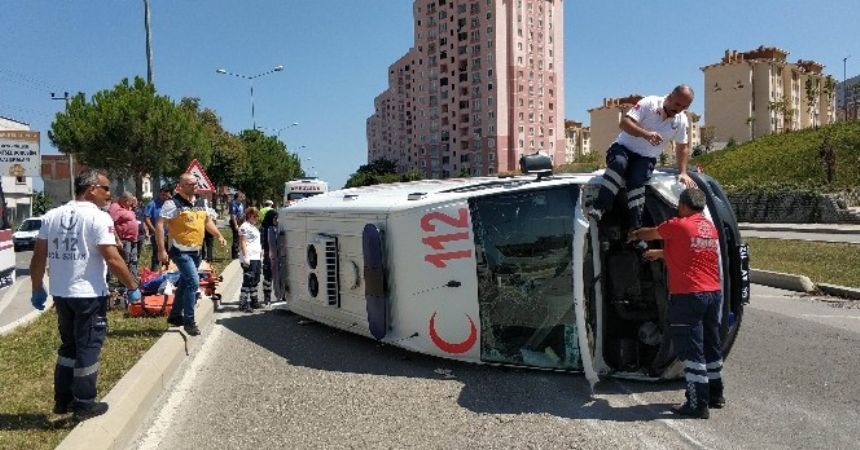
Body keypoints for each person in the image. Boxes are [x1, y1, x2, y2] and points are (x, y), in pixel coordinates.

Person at [29, 169, 143, 421]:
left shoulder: (51, 216)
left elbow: (38, 258)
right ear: (91, 188)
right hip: (89, 294)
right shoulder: (98, 218)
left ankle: (63, 400)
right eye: (105, 188)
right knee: (88, 348)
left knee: (68, 347)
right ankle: (84, 404)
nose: (109, 194)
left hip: (62, 294)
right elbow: (112, 258)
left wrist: (38, 288)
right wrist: (133, 287)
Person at [629, 188, 724, 419]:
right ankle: (715, 394)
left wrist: (634, 234)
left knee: (692, 350)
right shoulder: (708, 228)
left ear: (682, 205)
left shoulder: (678, 225)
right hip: (712, 294)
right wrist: (660, 254)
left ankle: (697, 403)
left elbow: (651, 233)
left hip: (689, 296)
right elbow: (691, 253)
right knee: (710, 345)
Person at [589, 85, 698, 250]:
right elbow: (624, 123)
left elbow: (682, 146)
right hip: (623, 148)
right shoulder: (649, 103)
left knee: (637, 180)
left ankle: (636, 229)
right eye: (677, 105)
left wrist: (683, 172)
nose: (679, 109)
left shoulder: (681, 120)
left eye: (684, 107)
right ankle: (600, 207)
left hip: (646, 158)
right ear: (669, 97)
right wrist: (646, 134)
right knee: (618, 165)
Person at [155, 173, 227, 335]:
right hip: (180, 251)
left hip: (196, 251)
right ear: (180, 186)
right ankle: (189, 320)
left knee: (184, 284)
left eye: (195, 184)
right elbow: (160, 226)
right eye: (190, 184)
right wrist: (161, 249)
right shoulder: (172, 203)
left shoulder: (202, 202)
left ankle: (174, 316)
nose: (194, 187)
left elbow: (207, 222)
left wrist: (219, 235)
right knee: (193, 283)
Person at [108, 192, 139, 280]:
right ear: (124, 200)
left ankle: (134, 280)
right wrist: (117, 239)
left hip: (133, 239)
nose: (131, 203)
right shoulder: (115, 207)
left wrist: (133, 206)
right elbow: (110, 223)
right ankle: (123, 283)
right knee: (125, 261)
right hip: (124, 239)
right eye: (129, 201)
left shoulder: (127, 208)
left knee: (133, 260)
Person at [238, 207, 262, 311]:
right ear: (249, 215)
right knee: (248, 280)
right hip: (249, 257)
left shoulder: (253, 227)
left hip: (256, 257)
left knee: (255, 280)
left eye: (257, 216)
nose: (256, 218)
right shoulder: (244, 226)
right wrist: (246, 256)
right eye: (255, 216)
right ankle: (243, 303)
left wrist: (261, 254)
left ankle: (254, 300)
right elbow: (242, 242)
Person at [144, 185, 172, 271]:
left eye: (166, 195)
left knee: (169, 255)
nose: (164, 197)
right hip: (156, 234)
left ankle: (167, 273)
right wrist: (154, 230)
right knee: (157, 254)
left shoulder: (170, 204)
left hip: (169, 235)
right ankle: (154, 274)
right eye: (162, 195)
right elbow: (146, 218)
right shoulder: (152, 204)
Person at [260, 208, 278, 305]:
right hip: (268, 256)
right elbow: (262, 243)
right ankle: (267, 296)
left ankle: (281, 295)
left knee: (278, 276)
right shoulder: (264, 229)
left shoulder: (278, 227)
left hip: (277, 256)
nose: (276, 220)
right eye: (275, 218)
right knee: (268, 277)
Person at [228, 191, 245, 259]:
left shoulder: (241, 203)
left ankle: (239, 251)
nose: (242, 198)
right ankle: (234, 255)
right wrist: (236, 225)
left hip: (241, 221)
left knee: (241, 237)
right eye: (241, 197)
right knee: (236, 237)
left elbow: (242, 213)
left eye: (242, 197)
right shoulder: (233, 203)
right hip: (235, 221)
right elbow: (233, 215)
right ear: (237, 197)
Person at [201, 197, 217, 263]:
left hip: (203, 228)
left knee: (202, 244)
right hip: (210, 229)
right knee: (209, 244)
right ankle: (209, 258)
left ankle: (202, 257)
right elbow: (215, 221)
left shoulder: (201, 210)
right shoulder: (212, 210)